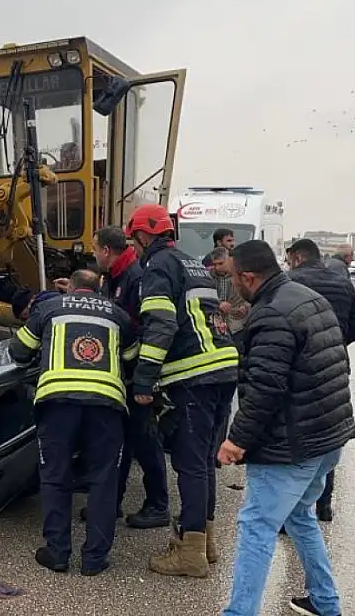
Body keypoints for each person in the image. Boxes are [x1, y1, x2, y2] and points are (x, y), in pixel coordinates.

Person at [218, 240, 355, 616]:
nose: (232, 285)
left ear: (247, 276)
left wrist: (236, 440)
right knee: (299, 515)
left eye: (233, 278)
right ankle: (325, 603)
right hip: (329, 437)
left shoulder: (272, 315)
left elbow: (265, 388)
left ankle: (239, 612)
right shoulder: (306, 297)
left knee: (256, 526)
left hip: (292, 444)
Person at [125, 203, 240, 578]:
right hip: (223, 368)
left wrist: (143, 379)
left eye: (135, 240)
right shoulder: (193, 263)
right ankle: (205, 541)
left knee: (189, 464)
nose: (136, 248)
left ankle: (190, 555)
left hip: (195, 377)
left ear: (144, 235)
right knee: (205, 462)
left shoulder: (157, 266)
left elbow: (160, 325)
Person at [8, 269, 138, 576]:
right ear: (99, 289)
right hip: (106, 405)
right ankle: (94, 559)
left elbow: (17, 351)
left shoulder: (49, 309)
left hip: (58, 404)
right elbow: (132, 357)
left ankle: (57, 553)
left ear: (72, 288)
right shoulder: (118, 315)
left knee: (55, 477)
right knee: (103, 480)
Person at [77, 225, 170, 529]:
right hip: (121, 372)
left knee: (144, 439)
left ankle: (158, 504)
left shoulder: (136, 276)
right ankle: (110, 502)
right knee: (118, 441)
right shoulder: (116, 275)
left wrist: (143, 377)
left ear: (106, 250)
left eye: (95, 248)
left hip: (136, 372)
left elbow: (145, 327)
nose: (93, 254)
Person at [286, 238, 355, 523]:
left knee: (297, 437)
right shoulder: (342, 284)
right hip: (335, 365)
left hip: (299, 369)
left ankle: (295, 510)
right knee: (327, 435)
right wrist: (336, 341)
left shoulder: (289, 282)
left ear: (297, 257)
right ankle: (324, 505)